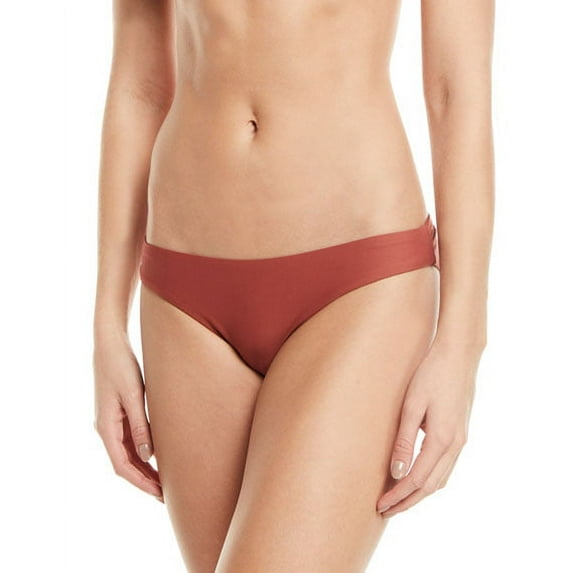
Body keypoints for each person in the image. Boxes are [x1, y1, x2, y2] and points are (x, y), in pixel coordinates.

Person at [92, 0, 495, 571]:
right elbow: (140, 85)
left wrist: (462, 344)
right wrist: (107, 326)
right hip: (184, 299)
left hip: (358, 282)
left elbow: (456, 90)